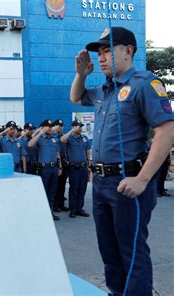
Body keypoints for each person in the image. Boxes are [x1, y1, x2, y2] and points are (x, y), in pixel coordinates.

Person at [70, 26, 174, 295]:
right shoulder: (105, 90)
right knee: (109, 251)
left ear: (128, 51)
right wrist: (81, 75)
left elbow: (167, 130)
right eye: (100, 52)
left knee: (132, 252)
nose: (102, 57)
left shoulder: (144, 84)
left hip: (129, 182)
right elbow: (76, 97)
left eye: (108, 51)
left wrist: (143, 179)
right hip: (103, 184)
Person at [28, 119, 63, 220]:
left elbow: (57, 153)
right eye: (48, 126)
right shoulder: (39, 138)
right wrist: (40, 133)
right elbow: (30, 144)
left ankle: (50, 212)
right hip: (44, 169)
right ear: (43, 127)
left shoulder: (54, 138)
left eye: (51, 127)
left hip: (54, 168)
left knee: (52, 192)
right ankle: (42, 213)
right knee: (44, 191)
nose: (50, 128)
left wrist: (60, 167)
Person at [60, 120, 91, 218]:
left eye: (81, 126)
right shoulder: (70, 137)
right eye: (78, 126)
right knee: (74, 189)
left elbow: (88, 152)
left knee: (82, 189)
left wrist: (89, 165)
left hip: (83, 167)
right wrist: (72, 131)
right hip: (74, 168)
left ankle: (79, 209)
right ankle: (73, 210)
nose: (80, 128)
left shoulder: (85, 138)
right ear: (73, 127)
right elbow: (62, 140)